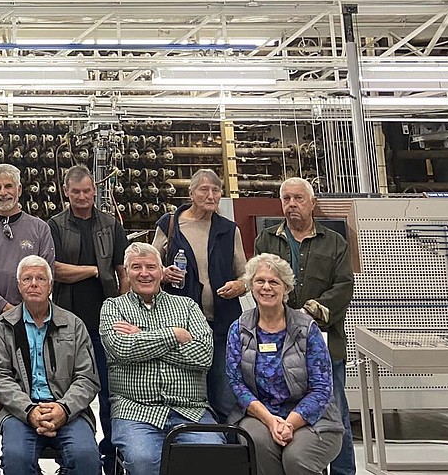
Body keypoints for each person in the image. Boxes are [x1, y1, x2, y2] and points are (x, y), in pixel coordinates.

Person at [255, 177, 355, 475]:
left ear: (312, 203)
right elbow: (262, 283)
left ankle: (343, 471)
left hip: (324, 341)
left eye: (298, 198)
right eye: (286, 199)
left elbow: (344, 286)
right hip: (277, 345)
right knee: (283, 409)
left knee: (334, 412)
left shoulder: (334, 242)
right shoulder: (267, 241)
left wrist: (311, 312)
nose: (291, 205)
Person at [101, 242, 225, 475]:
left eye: (151, 266)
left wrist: (142, 337)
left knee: (211, 457)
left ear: (161, 271)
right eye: (136, 267)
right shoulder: (112, 307)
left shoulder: (187, 306)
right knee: (143, 460)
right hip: (135, 411)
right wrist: (174, 335)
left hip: (191, 410)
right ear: (126, 272)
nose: (144, 273)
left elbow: (204, 355)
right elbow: (122, 349)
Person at [0, 163, 56, 475]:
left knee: (40, 384)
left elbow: (47, 272)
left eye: (8, 187)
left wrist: (26, 311)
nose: (2, 193)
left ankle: (34, 450)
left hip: (38, 321)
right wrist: (6, 308)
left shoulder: (39, 229)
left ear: (19, 189)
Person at [226, 254, 342, 475]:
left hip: (311, 417)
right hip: (259, 415)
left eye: (274, 282)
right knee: (257, 443)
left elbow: (322, 388)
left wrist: (289, 424)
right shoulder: (239, 329)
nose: (266, 287)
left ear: (286, 288)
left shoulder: (307, 328)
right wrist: (270, 421)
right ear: (251, 285)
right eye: (260, 281)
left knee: (296, 458)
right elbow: (236, 383)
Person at [0, 255, 100, 475]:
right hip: (20, 412)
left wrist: (63, 409)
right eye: (27, 279)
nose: (34, 284)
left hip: (68, 411)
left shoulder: (74, 324)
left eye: (40, 278)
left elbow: (87, 378)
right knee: (16, 459)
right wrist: (29, 410)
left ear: (50, 285)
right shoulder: (4, 325)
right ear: (19, 286)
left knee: (86, 457)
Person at [50, 164, 128, 474]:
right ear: (66, 192)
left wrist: (123, 305)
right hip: (66, 325)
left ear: (94, 191)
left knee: (111, 395)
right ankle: (68, 461)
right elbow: (55, 269)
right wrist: (95, 270)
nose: (82, 197)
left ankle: (111, 459)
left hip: (105, 325)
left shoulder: (111, 225)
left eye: (86, 191)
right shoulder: (55, 225)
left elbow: (123, 270)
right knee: (68, 394)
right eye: (76, 192)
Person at [151, 168, 246, 422]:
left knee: (225, 394)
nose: (211, 195)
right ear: (191, 193)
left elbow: (246, 275)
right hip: (181, 326)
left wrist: (239, 286)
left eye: (216, 190)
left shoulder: (229, 230)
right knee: (189, 394)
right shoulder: (169, 225)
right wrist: (163, 273)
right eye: (204, 189)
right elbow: (149, 268)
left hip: (223, 325)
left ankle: (229, 448)